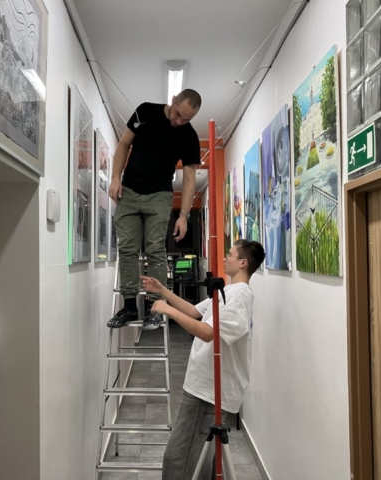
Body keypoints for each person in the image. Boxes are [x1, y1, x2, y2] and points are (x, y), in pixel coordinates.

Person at [142, 239, 265, 480]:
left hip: (209, 393)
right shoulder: (228, 291)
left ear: (243, 263)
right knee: (199, 458)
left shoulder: (237, 297)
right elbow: (195, 311)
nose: (224, 258)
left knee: (180, 459)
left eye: (229, 254)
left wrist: (168, 310)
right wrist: (163, 291)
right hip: (203, 386)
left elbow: (208, 333)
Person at [107, 89, 202, 330]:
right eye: (178, 114)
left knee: (155, 249)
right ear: (173, 100)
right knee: (127, 248)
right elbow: (124, 144)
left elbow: (189, 179)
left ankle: (156, 307)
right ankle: (129, 307)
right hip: (129, 190)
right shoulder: (146, 111)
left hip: (160, 195)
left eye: (186, 119)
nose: (179, 121)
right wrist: (115, 178)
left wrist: (184, 215)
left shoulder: (189, 136)